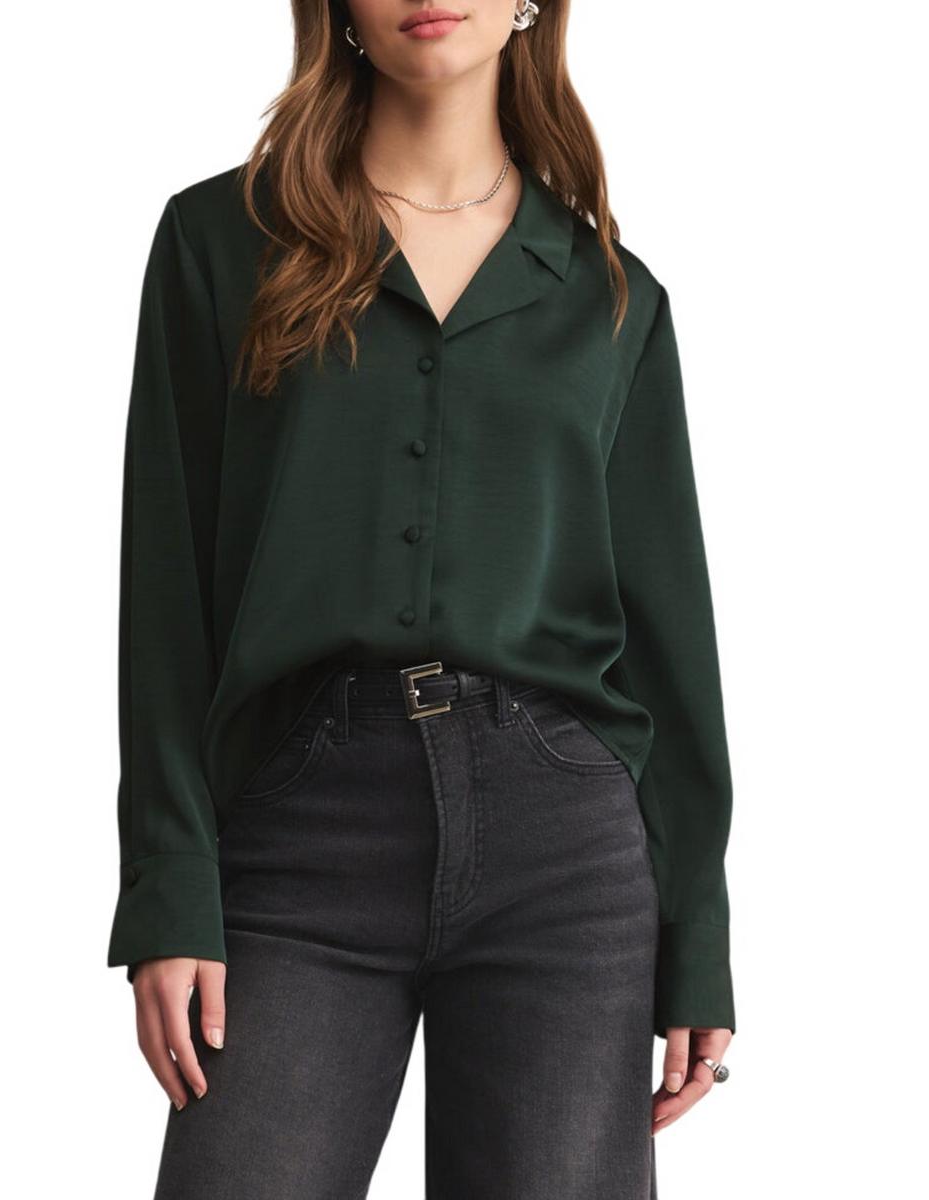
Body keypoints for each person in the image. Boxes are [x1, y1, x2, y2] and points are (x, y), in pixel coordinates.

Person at [106, 1, 737, 1195]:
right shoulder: (220, 242)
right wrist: (168, 887)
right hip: (299, 828)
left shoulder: (612, 297)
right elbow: (166, 596)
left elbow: (668, 636)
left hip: (565, 850)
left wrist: (696, 931)